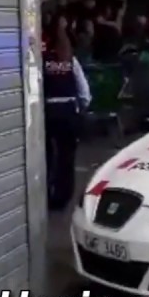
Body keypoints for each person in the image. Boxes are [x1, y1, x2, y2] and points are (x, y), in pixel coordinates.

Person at [42, 14, 91, 212]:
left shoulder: (41, 58)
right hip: (69, 111)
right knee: (67, 157)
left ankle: (45, 192)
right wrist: (82, 107)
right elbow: (84, 90)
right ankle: (62, 196)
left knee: (47, 156)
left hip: (47, 111)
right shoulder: (71, 59)